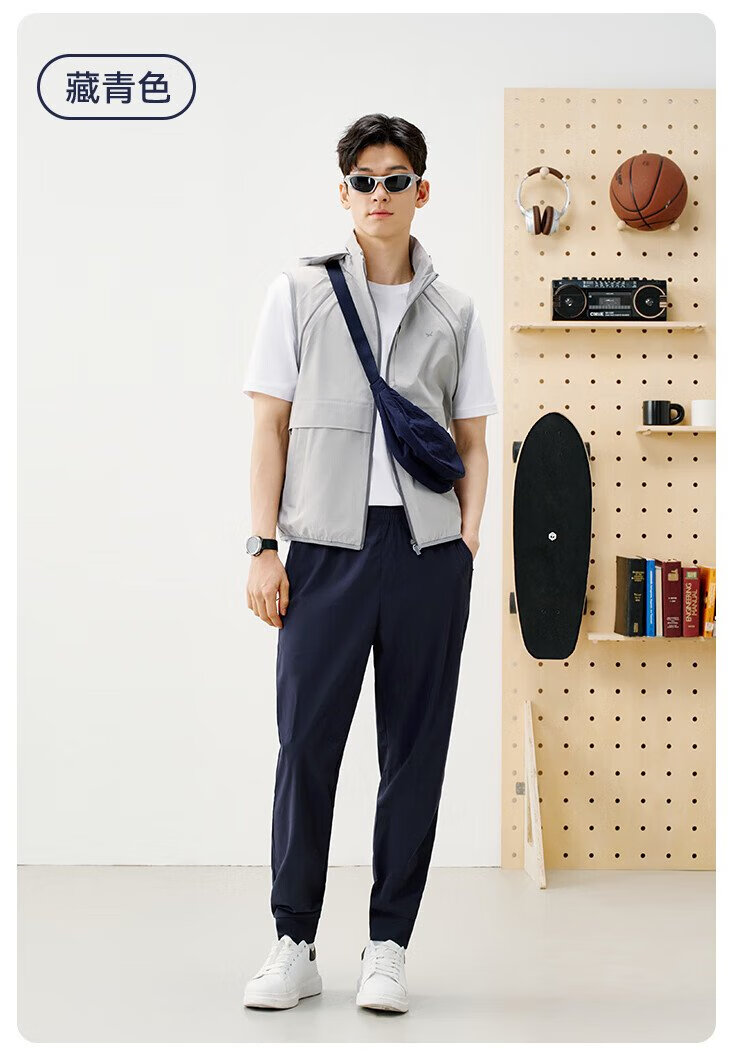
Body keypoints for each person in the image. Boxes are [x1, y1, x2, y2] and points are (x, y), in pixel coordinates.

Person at [241, 114, 498, 1014]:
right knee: (306, 747)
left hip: (427, 555)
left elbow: (474, 440)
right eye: (363, 180)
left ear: (422, 191)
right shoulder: (298, 293)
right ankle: (293, 944)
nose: (378, 194)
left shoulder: (455, 310)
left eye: (395, 180)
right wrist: (262, 546)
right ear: (343, 192)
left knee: (414, 754)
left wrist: (467, 541)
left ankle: (388, 946)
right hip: (323, 553)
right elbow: (269, 426)